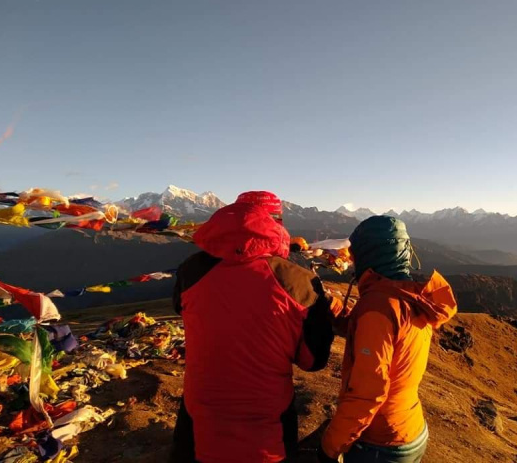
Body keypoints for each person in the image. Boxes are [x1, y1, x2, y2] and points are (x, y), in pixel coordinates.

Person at [170, 191, 339, 463]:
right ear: (275, 223)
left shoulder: (190, 270)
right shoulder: (299, 282)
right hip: (267, 429)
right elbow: (312, 361)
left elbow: (180, 308)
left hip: (198, 420)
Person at [318, 216, 458, 463]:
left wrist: (330, 447)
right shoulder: (408, 295)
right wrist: (332, 306)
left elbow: (367, 393)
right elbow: (365, 331)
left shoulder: (379, 306)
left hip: (381, 443)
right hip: (411, 429)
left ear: (368, 253)